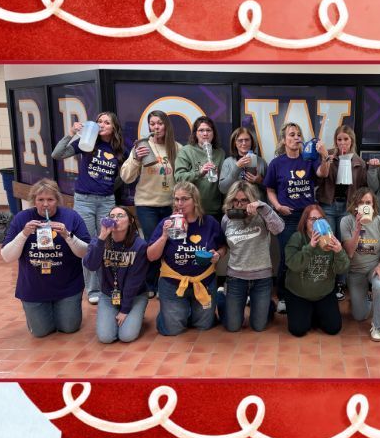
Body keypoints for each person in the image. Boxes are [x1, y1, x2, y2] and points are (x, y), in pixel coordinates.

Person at [50, 111, 125, 305]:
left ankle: (109, 285)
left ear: (114, 127)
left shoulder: (120, 148)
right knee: (90, 244)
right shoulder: (88, 142)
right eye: (99, 121)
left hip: (107, 201)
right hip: (84, 200)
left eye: (106, 122)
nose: (101, 124)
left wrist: (108, 186)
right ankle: (93, 289)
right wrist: (71, 134)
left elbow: (125, 174)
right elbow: (57, 154)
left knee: (107, 243)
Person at [0, 179, 90, 338]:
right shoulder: (22, 218)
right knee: (41, 332)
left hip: (67, 286)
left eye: (50, 199)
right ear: (33, 201)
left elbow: (86, 252)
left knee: (69, 328)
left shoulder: (71, 217)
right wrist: (24, 234)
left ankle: (62, 308)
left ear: (58, 200)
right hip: (34, 288)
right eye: (40, 200)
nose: (45, 204)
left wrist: (67, 235)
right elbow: (7, 256)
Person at [146, 182, 227, 335]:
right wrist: (164, 236)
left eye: (184, 199)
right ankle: (170, 313)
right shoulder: (167, 222)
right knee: (172, 330)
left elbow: (223, 247)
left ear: (195, 200)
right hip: (173, 283)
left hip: (203, 281)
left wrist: (218, 255)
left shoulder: (210, 223)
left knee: (204, 326)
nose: (179, 204)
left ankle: (214, 299)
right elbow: (151, 256)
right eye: (176, 199)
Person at [264, 122, 325, 314]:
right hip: (287, 217)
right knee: (287, 257)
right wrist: (277, 206)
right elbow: (269, 189)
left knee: (311, 252)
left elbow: (322, 173)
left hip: (309, 217)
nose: (296, 138)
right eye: (292, 134)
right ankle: (283, 296)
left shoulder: (309, 158)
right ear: (283, 140)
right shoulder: (276, 163)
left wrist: (324, 155)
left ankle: (307, 291)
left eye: (299, 134)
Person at [120, 109, 181, 298]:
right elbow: (126, 177)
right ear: (149, 126)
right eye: (153, 123)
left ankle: (169, 282)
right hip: (147, 205)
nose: (156, 127)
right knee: (152, 244)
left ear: (166, 126)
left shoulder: (177, 148)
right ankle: (150, 284)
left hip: (171, 205)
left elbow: (181, 178)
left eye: (160, 123)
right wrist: (137, 158)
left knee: (173, 242)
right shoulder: (141, 146)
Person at [220, 181, 284, 332]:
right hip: (236, 278)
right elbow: (225, 243)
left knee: (258, 326)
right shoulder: (226, 219)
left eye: (244, 200)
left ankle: (267, 306)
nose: (239, 204)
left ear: (251, 200)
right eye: (235, 200)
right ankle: (221, 296)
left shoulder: (262, 215)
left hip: (261, 278)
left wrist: (264, 207)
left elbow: (279, 229)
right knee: (233, 326)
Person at [82, 205, 149, 343]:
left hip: (135, 295)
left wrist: (125, 310)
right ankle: (124, 317)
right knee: (105, 338)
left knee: (126, 336)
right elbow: (90, 265)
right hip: (108, 295)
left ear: (130, 221)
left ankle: (137, 313)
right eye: (112, 216)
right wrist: (101, 238)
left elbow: (134, 281)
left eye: (120, 216)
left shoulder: (140, 245)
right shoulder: (99, 240)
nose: (115, 219)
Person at [316, 124, 367, 300]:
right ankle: (326, 280)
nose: (342, 142)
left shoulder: (359, 162)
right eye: (339, 139)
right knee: (327, 243)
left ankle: (340, 282)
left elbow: (362, 189)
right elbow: (320, 176)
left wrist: (358, 210)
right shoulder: (329, 155)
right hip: (328, 205)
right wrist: (326, 157)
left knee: (344, 246)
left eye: (346, 139)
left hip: (347, 208)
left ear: (351, 140)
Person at [283, 204, 350, 337]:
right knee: (298, 330)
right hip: (298, 293)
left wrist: (339, 252)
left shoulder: (330, 239)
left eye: (320, 219)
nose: (317, 222)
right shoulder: (297, 237)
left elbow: (342, 268)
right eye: (312, 219)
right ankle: (308, 313)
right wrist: (310, 246)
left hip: (324, 293)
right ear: (305, 222)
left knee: (333, 328)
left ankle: (313, 312)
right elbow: (293, 264)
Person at [339, 187, 380, 341]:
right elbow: (349, 252)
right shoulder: (346, 221)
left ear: (373, 204)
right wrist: (357, 228)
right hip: (355, 271)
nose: (364, 206)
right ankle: (366, 299)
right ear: (355, 205)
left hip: (375, 268)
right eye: (361, 203)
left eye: (368, 202)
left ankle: (379, 326)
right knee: (359, 316)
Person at [175, 116, 226, 219]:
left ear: (213, 133)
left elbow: (224, 183)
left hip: (214, 209)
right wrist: (199, 172)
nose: (205, 133)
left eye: (208, 130)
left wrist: (219, 174)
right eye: (201, 130)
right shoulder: (186, 151)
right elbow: (179, 177)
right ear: (195, 133)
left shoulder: (220, 153)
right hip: (192, 209)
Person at [219, 126, 268, 197]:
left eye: (247, 140)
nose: (244, 143)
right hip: (235, 205)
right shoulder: (228, 162)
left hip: (257, 205)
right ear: (234, 143)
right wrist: (237, 167)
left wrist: (260, 181)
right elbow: (223, 189)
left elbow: (271, 190)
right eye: (240, 140)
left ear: (251, 141)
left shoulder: (261, 162)